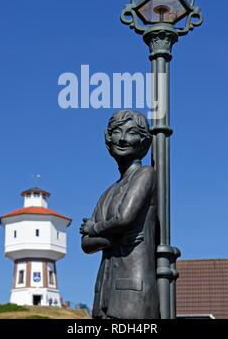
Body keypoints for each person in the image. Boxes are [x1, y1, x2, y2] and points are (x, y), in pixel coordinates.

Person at [80, 110, 159, 319]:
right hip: (105, 292)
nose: (122, 139)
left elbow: (124, 218)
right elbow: (86, 244)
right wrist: (115, 237)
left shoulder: (145, 175)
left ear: (143, 141)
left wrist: (95, 228)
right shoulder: (108, 192)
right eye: (117, 132)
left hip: (133, 289)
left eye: (131, 132)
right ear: (108, 138)